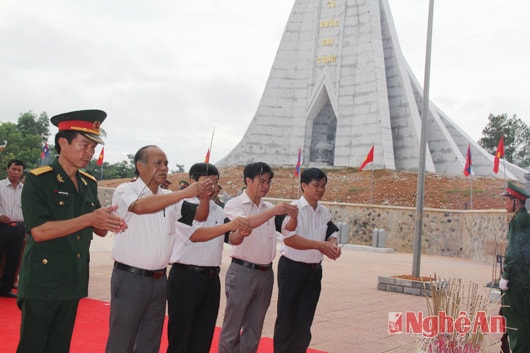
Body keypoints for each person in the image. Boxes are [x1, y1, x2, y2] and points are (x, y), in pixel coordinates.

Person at [16, 109, 127, 353]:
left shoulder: (88, 182)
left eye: (93, 148)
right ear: (63, 143)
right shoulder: (38, 180)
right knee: (34, 346)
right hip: (42, 281)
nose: (89, 153)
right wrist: (90, 218)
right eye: (84, 145)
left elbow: (95, 228)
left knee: (59, 346)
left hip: (71, 279)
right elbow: (40, 231)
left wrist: (107, 222)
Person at [105, 145, 210, 353]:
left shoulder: (169, 195)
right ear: (139, 166)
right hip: (130, 279)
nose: (164, 168)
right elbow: (141, 207)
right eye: (158, 163)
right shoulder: (126, 189)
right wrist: (185, 192)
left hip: (159, 280)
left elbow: (200, 216)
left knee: (150, 341)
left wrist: (204, 197)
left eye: (166, 163)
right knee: (122, 340)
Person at [166, 162, 251, 353]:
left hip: (211, 279)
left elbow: (233, 238)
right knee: (182, 335)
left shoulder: (219, 211)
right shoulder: (183, 205)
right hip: (186, 278)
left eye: (215, 182)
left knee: (203, 335)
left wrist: (241, 231)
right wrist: (229, 226)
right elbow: (196, 235)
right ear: (192, 181)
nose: (211, 186)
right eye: (207, 181)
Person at [218, 161, 298, 353]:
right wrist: (273, 211)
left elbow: (288, 229)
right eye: (262, 181)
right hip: (242, 271)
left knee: (254, 328)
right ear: (248, 180)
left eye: (268, 182)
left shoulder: (268, 206)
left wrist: (293, 216)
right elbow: (244, 224)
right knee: (232, 325)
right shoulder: (235, 204)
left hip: (265, 273)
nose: (266, 186)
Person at [273, 167, 341, 353]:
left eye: (323, 186)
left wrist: (332, 244)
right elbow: (290, 239)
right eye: (316, 185)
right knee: (287, 317)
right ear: (303, 185)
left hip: (313, 271)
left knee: (305, 319)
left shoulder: (323, 211)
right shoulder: (293, 209)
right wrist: (320, 246)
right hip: (292, 269)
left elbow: (331, 231)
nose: (320, 189)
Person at [498, 181, 530, 353]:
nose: (505, 203)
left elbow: (515, 251)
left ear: (516, 201)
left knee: (517, 322)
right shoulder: (523, 218)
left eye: (507, 200)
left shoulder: (520, 221)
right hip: (523, 278)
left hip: (518, 280)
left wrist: (506, 275)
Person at [0, 159, 26, 298]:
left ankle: (5, 288)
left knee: (13, 258)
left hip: (18, 227)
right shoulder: (0, 186)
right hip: (2, 226)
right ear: (7, 169)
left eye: (19, 170)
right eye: (13, 169)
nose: (16, 172)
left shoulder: (25, 190)